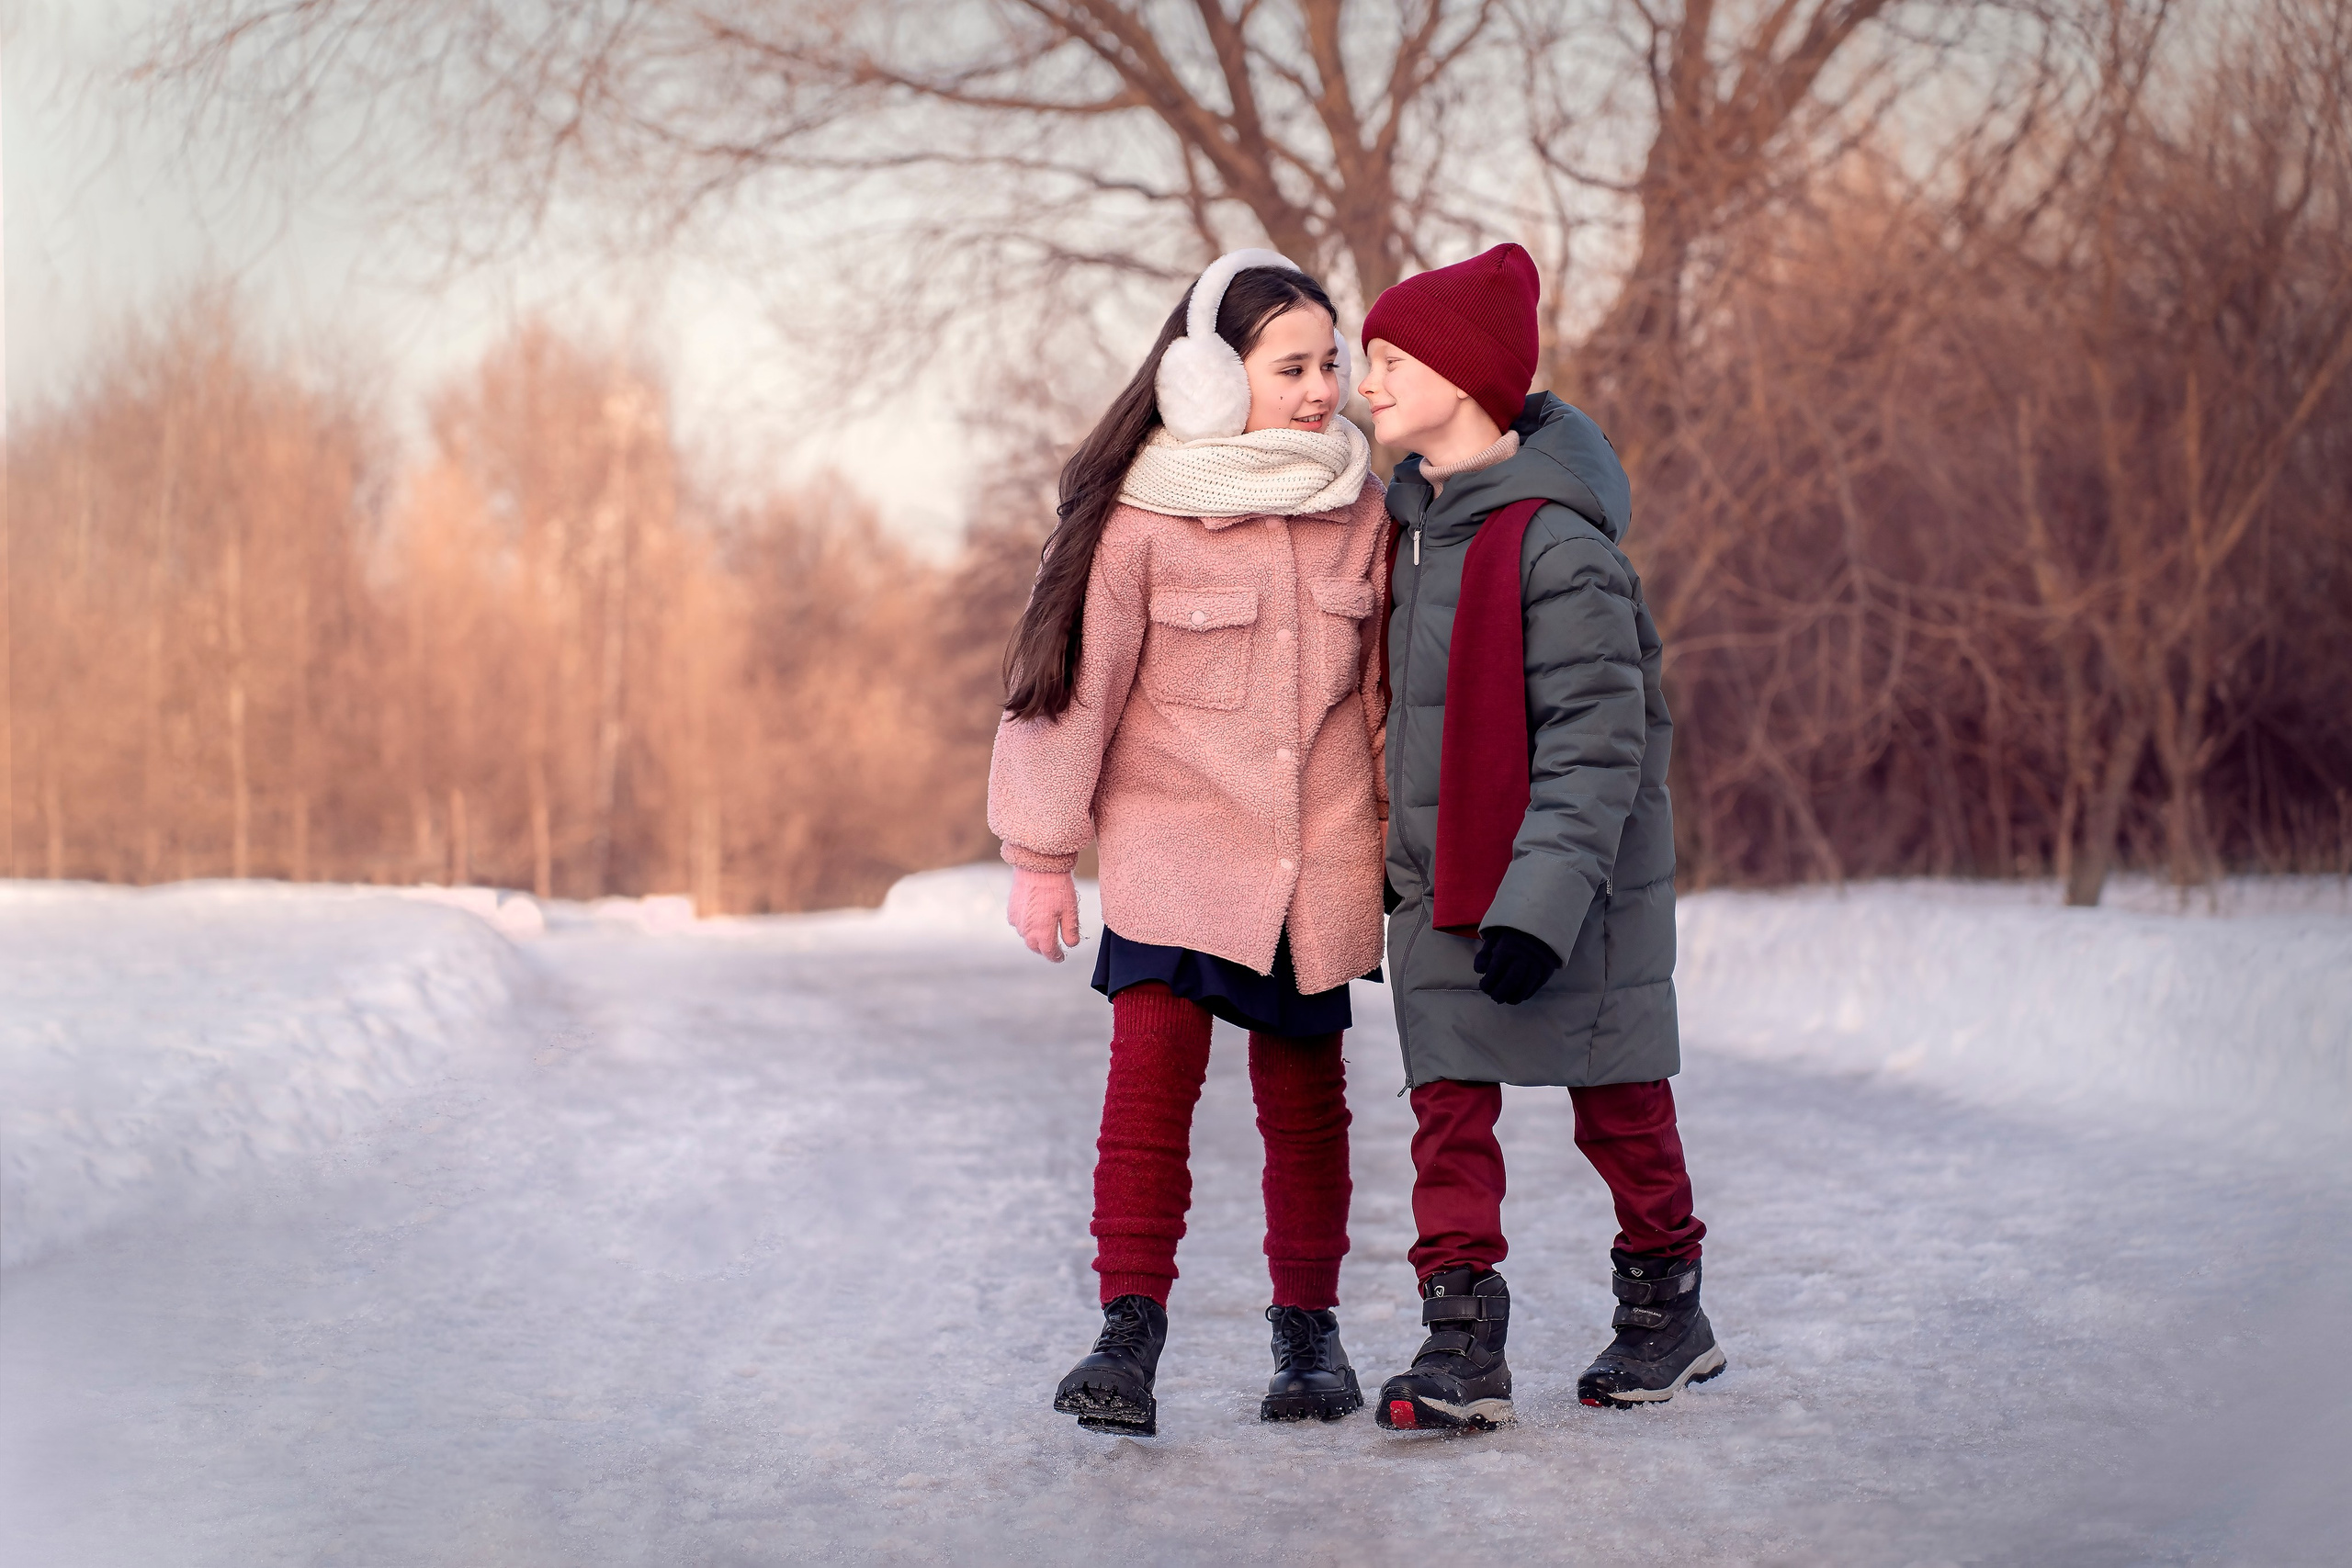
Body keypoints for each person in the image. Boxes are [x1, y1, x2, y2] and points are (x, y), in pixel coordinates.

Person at [989, 249, 1391, 1437]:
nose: (1321, 389)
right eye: (1291, 367)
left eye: (1331, 364)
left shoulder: (1362, 514)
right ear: (1216, 378)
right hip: (1173, 856)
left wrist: (1409, 858)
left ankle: (1308, 1338)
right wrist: (1040, 856)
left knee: (1307, 1110)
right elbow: (1072, 690)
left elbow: (1378, 707)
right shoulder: (1145, 522)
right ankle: (1127, 1332)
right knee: (1147, 1103)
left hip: (1310, 864)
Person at [1356, 243, 1725, 1431]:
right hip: (1445, 883)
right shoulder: (1413, 534)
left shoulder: (1559, 548)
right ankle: (1462, 1339)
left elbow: (1598, 745)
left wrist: (1540, 902)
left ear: (1460, 381)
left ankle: (1667, 1306)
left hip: (1572, 896)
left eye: (1388, 361)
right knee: (1447, 1110)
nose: (1366, 383)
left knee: (1618, 1101)